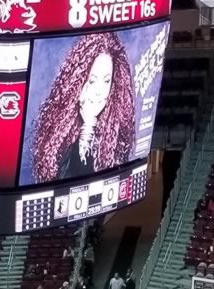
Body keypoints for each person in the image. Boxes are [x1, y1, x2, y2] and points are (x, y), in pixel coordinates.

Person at [27, 30, 138, 184]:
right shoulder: (56, 134)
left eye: (106, 81)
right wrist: (86, 129)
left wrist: (89, 125)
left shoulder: (118, 133)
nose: (99, 92)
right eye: (92, 81)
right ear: (77, 83)